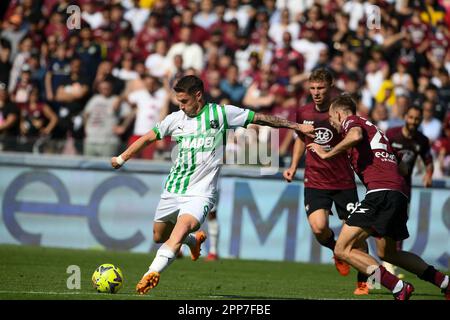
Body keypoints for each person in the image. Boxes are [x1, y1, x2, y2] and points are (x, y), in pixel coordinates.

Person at [111, 75, 314, 294]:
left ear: (198, 96)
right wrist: (122, 158)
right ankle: (193, 241)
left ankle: (151, 273)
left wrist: (296, 126)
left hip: (201, 193)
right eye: (178, 101)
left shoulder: (222, 113)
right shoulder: (175, 119)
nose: (180, 106)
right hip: (173, 189)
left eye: (184, 101)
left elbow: (261, 118)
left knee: (179, 230)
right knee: (160, 236)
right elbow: (148, 138)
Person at [307, 94, 449, 300]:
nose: (331, 122)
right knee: (388, 253)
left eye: (331, 117)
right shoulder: (376, 130)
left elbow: (354, 136)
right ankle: (444, 282)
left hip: (380, 193)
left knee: (342, 248)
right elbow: (402, 167)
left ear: (339, 113)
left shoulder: (352, 122)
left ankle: (398, 287)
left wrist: (327, 154)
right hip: (399, 193)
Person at [283, 68, 369, 295]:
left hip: (343, 182)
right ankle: (338, 252)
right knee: (319, 227)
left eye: (320, 88)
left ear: (330, 87)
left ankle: (366, 280)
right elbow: (302, 139)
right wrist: (293, 167)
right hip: (315, 180)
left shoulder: (340, 112)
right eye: (312, 88)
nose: (316, 92)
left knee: (357, 236)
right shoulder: (302, 112)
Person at [383, 105, 434, 277]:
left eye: (417, 119)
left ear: (420, 120)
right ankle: (376, 273)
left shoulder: (421, 140)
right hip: (385, 187)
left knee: (397, 230)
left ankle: (388, 269)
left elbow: (428, 160)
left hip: (404, 191)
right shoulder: (391, 134)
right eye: (411, 117)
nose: (413, 122)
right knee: (379, 229)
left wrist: (429, 174)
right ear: (405, 117)